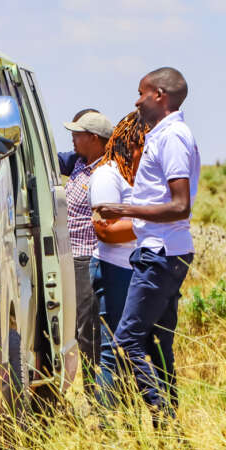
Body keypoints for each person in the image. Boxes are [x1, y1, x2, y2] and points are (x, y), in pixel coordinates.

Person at [94, 67, 199, 418]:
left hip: (160, 253)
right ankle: (170, 430)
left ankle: (162, 415)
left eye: (141, 92)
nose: (137, 101)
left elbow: (180, 204)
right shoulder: (167, 135)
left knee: (126, 341)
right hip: (163, 251)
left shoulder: (171, 137)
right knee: (156, 343)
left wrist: (125, 208)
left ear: (160, 95)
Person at [88, 111, 149, 401]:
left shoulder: (138, 175)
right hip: (115, 270)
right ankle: (108, 426)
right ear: (130, 141)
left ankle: (126, 418)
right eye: (143, 143)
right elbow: (106, 229)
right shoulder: (107, 174)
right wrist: (152, 224)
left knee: (131, 349)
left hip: (135, 268)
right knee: (114, 349)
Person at [61, 109, 114, 382]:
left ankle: (98, 394)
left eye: (77, 134)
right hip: (71, 257)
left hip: (86, 258)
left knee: (87, 328)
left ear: (94, 138)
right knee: (73, 326)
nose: (72, 138)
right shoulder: (81, 163)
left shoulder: (105, 172)